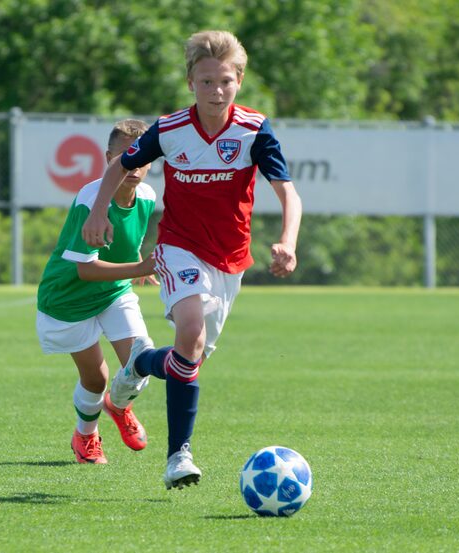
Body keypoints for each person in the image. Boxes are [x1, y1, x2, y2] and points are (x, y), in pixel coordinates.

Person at [82, 30, 303, 488]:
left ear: (238, 80)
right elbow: (120, 165)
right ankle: (178, 457)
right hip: (179, 246)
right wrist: (99, 211)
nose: (215, 91)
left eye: (225, 81)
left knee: (190, 357)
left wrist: (288, 241)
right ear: (190, 82)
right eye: (206, 81)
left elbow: (288, 192)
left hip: (230, 260)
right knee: (190, 333)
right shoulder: (170, 128)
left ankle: (135, 371)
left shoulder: (254, 129)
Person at [37, 119, 159, 464]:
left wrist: (135, 259)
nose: (133, 163)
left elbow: (125, 239)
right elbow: (85, 268)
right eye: (125, 155)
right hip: (68, 297)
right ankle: (85, 436)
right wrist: (140, 268)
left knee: (142, 360)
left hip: (112, 291)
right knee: (96, 377)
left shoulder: (148, 197)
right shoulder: (91, 199)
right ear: (109, 157)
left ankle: (118, 406)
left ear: (151, 160)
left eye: (141, 155)